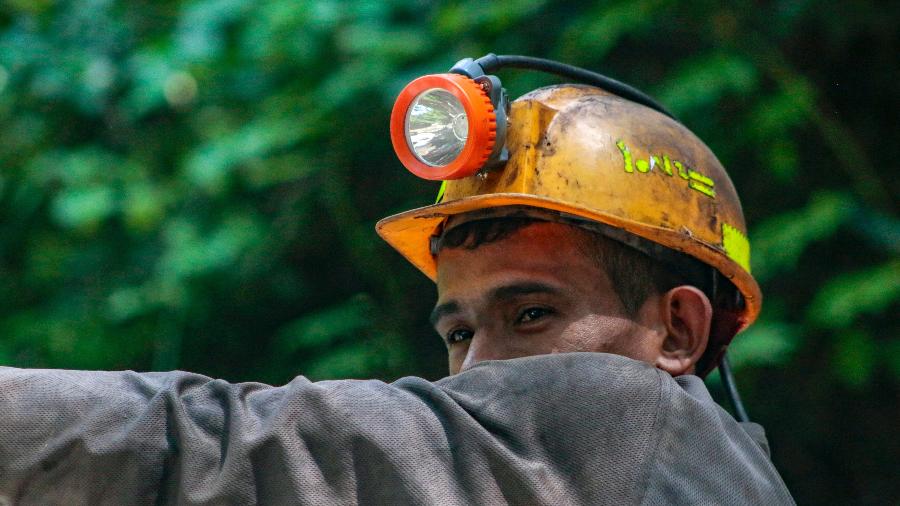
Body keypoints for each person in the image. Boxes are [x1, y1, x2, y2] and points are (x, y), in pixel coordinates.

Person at [0, 67, 795, 504]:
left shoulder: (633, 418)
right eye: (458, 333)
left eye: (532, 312)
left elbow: (222, 447)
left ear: (678, 333)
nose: (479, 372)